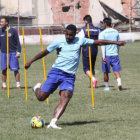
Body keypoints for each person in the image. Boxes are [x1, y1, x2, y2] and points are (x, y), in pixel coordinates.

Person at [25, 24, 125, 129]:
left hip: (69, 76)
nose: (68, 37)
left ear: (75, 34)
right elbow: (44, 52)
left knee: (66, 97)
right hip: (56, 72)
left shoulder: (80, 41)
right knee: (41, 97)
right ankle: (36, 88)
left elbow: (98, 42)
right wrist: (31, 61)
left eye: (71, 35)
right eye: (67, 34)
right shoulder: (59, 41)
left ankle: (53, 123)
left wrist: (116, 42)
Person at [99, 18, 122, 91]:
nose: (102, 24)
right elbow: (118, 44)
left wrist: (103, 56)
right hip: (115, 54)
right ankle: (119, 83)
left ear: (105, 23)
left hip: (107, 55)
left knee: (105, 72)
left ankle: (106, 87)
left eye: (103, 23)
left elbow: (102, 45)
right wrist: (117, 52)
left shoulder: (102, 33)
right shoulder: (116, 32)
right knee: (116, 70)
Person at [77, 15, 99, 88]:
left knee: (86, 68)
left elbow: (78, 39)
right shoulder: (97, 29)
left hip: (86, 50)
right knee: (92, 67)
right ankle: (92, 83)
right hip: (95, 50)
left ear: (85, 21)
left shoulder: (83, 29)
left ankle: (93, 79)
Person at [0, 17, 21, 90]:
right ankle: (4, 85)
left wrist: (18, 52)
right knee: (3, 70)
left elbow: (18, 42)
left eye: (2, 22)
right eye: (0, 22)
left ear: (6, 23)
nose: (1, 23)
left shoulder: (13, 30)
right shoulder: (0, 31)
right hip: (3, 54)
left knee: (15, 69)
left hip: (13, 53)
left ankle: (18, 85)